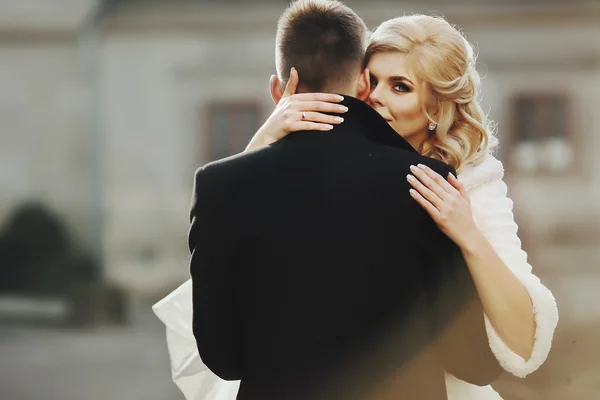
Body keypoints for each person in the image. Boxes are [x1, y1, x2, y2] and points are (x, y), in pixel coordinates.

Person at [155, 1, 504, 399]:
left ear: (277, 89)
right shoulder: (427, 184)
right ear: (362, 85)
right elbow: (472, 362)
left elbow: (223, 357)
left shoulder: (219, 186)